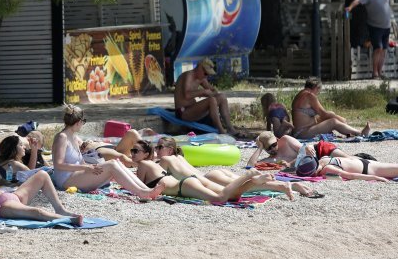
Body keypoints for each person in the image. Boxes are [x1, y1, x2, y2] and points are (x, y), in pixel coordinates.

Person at [51, 105, 165, 199]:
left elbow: (80, 162)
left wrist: (91, 166)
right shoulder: (62, 137)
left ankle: (145, 189)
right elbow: (58, 165)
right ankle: (141, 193)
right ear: (78, 122)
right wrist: (86, 168)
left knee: (116, 162)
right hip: (65, 179)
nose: (82, 124)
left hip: (76, 174)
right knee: (111, 165)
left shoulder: (74, 137)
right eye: (83, 122)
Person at [151, 137, 319, 199]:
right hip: (212, 174)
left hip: (208, 179)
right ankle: (287, 185)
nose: (156, 151)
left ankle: (284, 186)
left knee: (247, 189)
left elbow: (158, 178)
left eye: (159, 147)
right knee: (248, 185)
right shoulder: (178, 157)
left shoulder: (165, 160)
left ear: (169, 150)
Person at [129, 140, 273, 202]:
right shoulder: (157, 164)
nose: (132, 154)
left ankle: (247, 176)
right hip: (190, 182)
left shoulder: (143, 165)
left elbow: (140, 188)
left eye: (135, 151)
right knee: (232, 196)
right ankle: (252, 181)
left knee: (220, 198)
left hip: (184, 186)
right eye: (132, 150)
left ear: (146, 154)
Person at [346, 0, 394, 79]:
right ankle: (375, 72)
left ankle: (380, 72)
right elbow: (358, 0)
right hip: (375, 26)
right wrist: (350, 7)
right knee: (378, 48)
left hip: (386, 26)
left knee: (384, 49)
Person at [290, 78, 370, 139]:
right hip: (303, 133)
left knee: (327, 117)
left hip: (299, 131)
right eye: (318, 91)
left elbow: (319, 116)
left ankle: (349, 133)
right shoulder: (310, 96)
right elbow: (324, 114)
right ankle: (360, 133)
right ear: (316, 88)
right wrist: (339, 118)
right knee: (333, 122)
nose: (318, 94)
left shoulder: (300, 94)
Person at [173, 59, 235, 135]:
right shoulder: (189, 75)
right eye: (205, 73)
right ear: (199, 68)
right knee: (211, 100)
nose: (206, 76)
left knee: (222, 97)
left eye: (208, 74)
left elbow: (213, 90)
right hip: (183, 112)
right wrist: (202, 92)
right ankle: (221, 131)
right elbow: (187, 95)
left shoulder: (201, 78)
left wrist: (211, 92)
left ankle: (231, 128)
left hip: (192, 108)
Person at [247, 131, 354, 168]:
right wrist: (260, 147)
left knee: (351, 160)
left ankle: (368, 160)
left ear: (276, 139)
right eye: (269, 148)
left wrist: (290, 164)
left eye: (274, 144)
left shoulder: (285, 140)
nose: (273, 148)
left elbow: (304, 149)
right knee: (350, 165)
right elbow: (250, 165)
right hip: (318, 163)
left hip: (319, 151)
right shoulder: (271, 159)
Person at [299, 156, 398, 182]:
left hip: (365, 163)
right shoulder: (326, 167)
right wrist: (375, 178)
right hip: (368, 169)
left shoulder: (324, 160)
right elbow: (350, 176)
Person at [79, 128, 153, 168]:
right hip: (96, 151)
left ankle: (149, 154)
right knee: (122, 157)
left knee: (132, 132)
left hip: (109, 147)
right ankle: (145, 164)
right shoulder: (70, 139)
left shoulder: (73, 136)